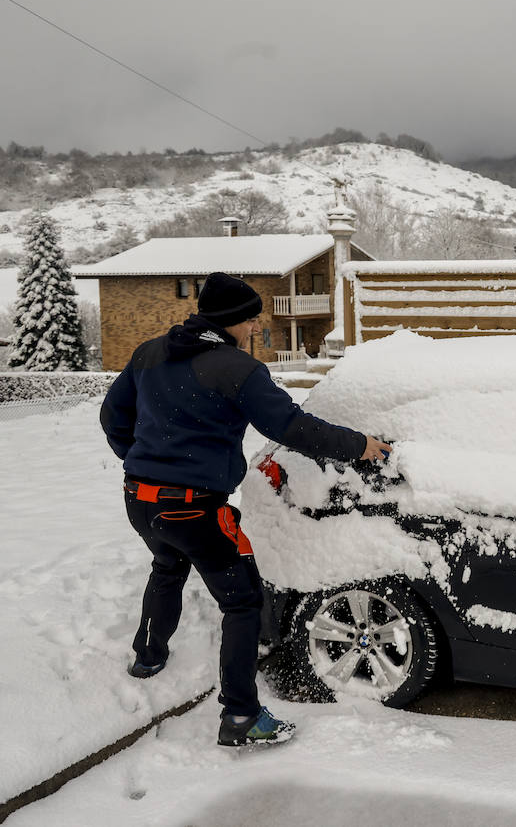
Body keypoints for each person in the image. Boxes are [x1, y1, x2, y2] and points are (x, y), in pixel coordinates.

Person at [100, 272, 391, 747]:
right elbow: (290, 425)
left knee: (167, 565)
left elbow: (113, 417)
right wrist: (358, 445)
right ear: (232, 320)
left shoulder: (149, 353)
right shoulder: (236, 368)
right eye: (253, 318)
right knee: (242, 601)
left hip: (140, 499)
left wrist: (145, 463)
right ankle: (241, 716)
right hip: (195, 509)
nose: (257, 326)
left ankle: (148, 657)